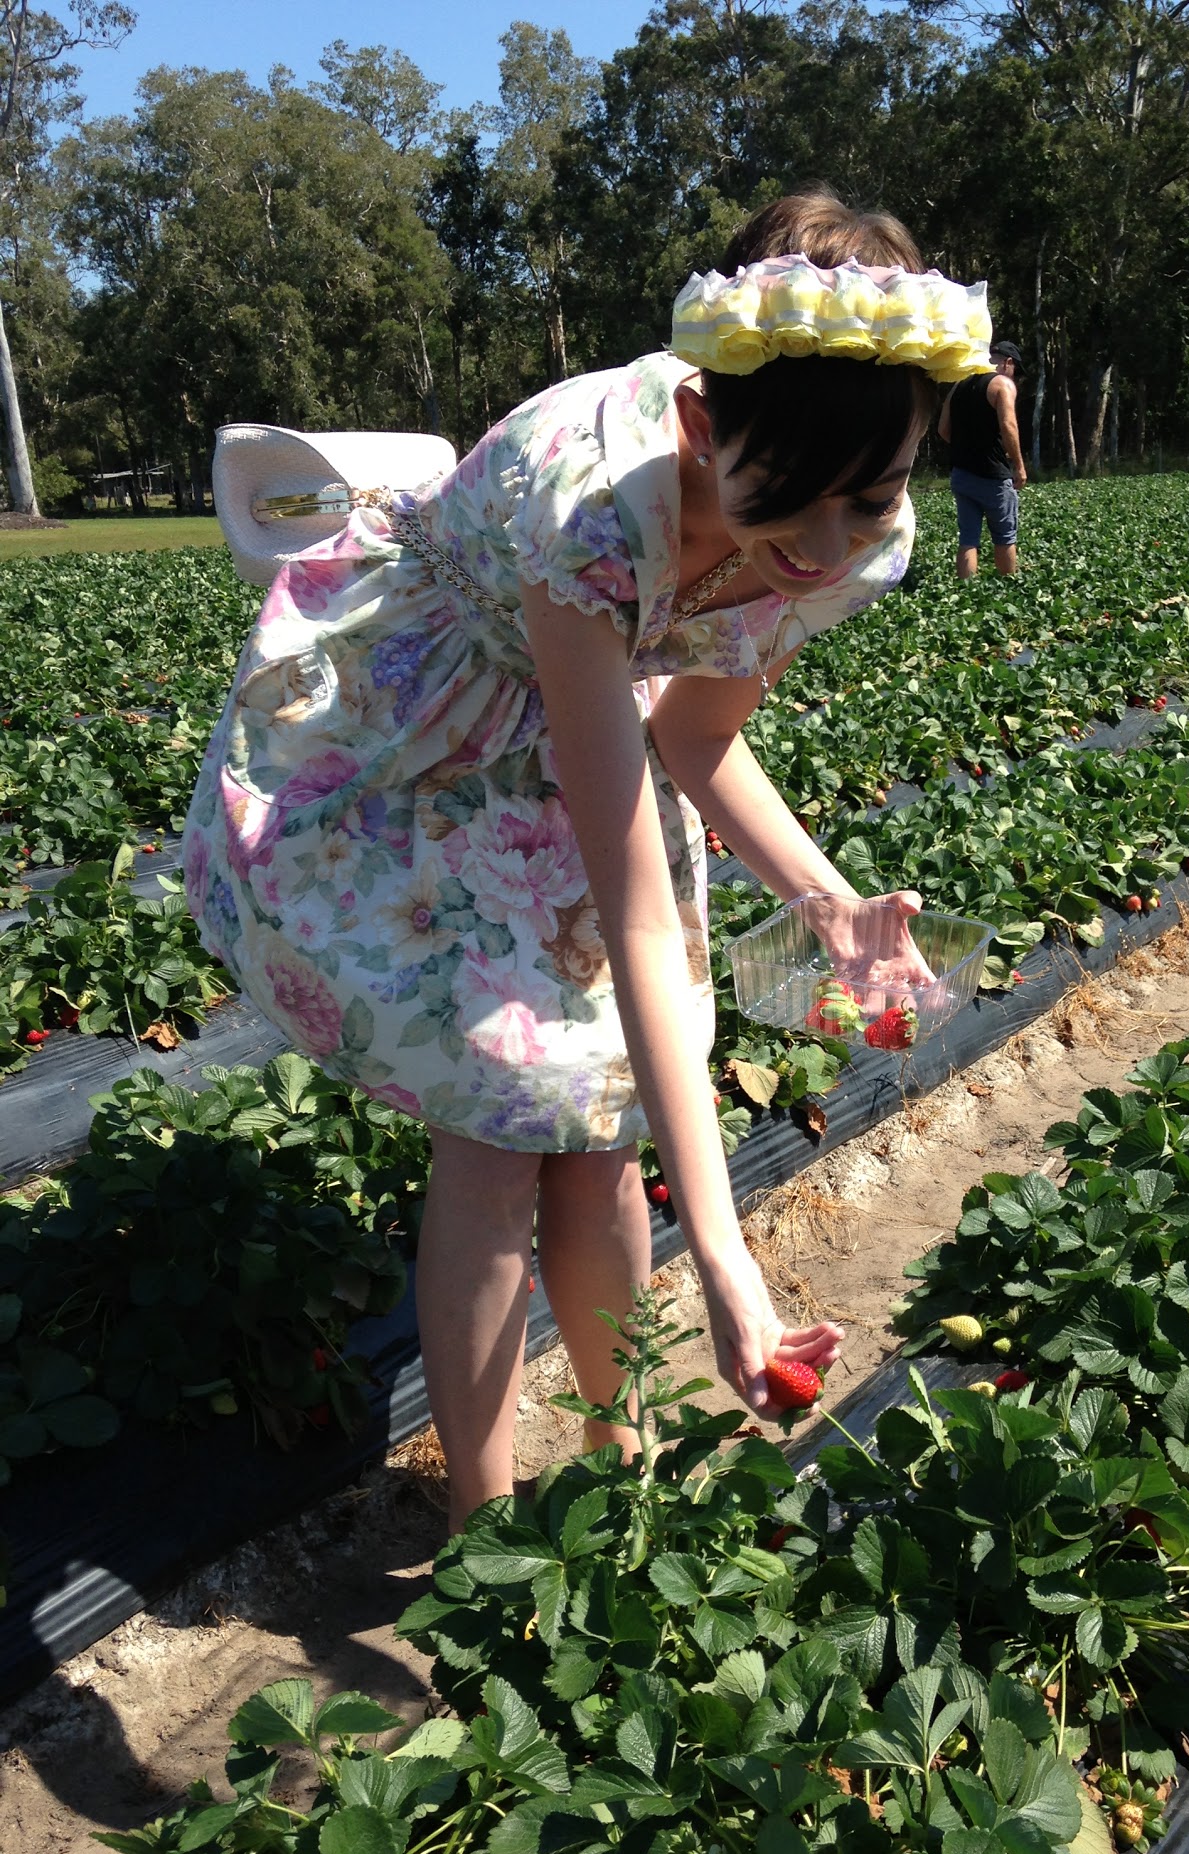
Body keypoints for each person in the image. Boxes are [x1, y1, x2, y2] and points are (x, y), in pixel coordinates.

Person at [182, 190, 994, 1528]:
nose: (829, 548)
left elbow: (695, 738)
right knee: (501, 1136)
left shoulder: (846, 536)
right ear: (697, 420)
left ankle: (619, 1482)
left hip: (594, 744)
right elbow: (641, 919)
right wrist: (728, 1256)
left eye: (875, 497)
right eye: (792, 499)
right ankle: (485, 1528)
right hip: (433, 732)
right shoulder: (590, 502)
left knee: (603, 1137)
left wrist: (830, 906)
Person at [938, 338, 1027, 578]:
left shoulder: (959, 383)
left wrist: (968, 447)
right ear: (1008, 362)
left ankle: (966, 593)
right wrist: (1018, 465)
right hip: (993, 476)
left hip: (961, 474)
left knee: (968, 538)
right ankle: (1009, 585)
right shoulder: (1002, 385)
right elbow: (1009, 425)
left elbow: (943, 430)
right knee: (1005, 536)